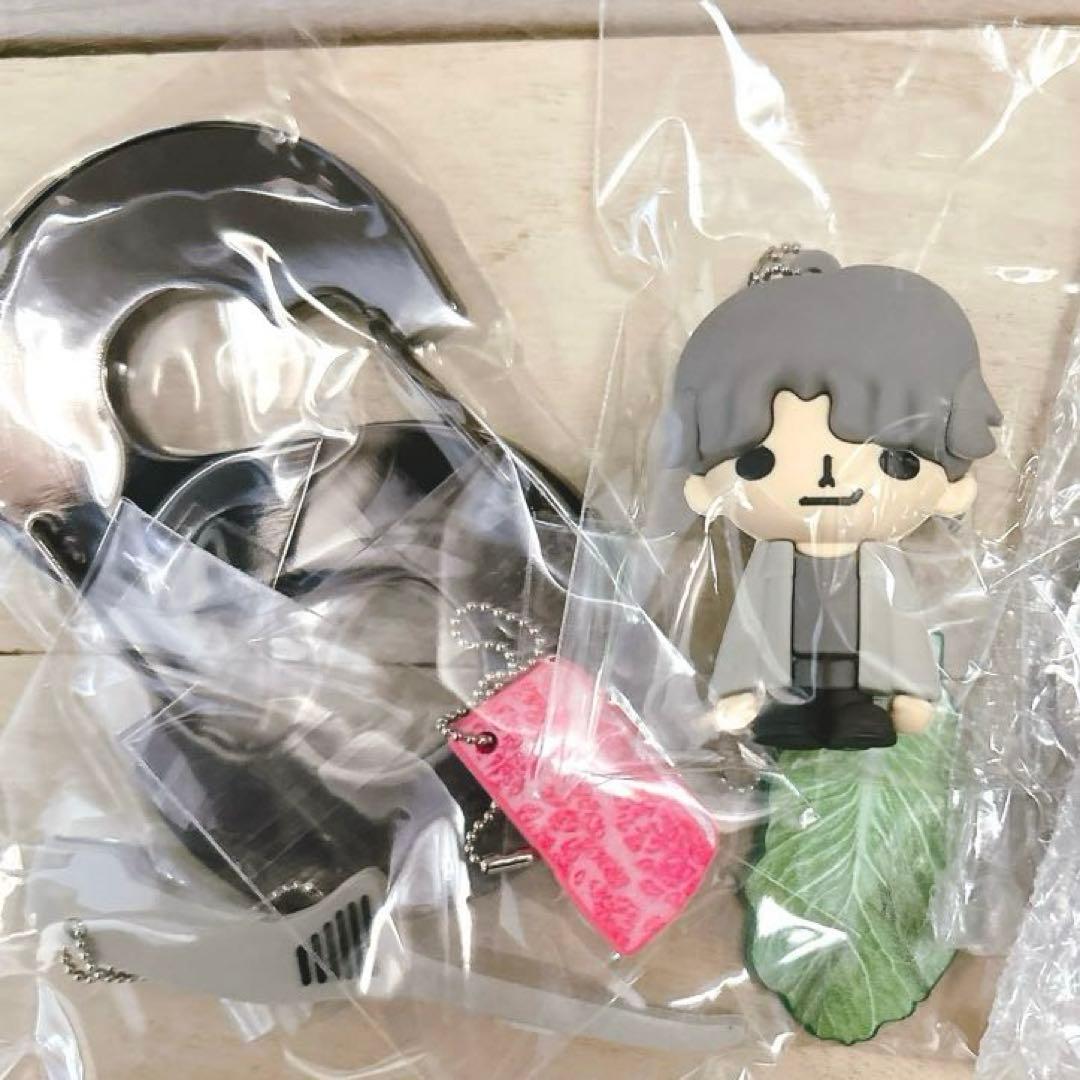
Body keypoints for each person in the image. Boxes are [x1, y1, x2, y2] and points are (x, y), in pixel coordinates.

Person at [667, 249, 1001, 749]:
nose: (827, 477)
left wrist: (914, 690)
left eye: (896, 461)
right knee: (788, 712)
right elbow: (750, 627)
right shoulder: (771, 563)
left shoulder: (881, 564)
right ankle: (794, 711)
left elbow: (901, 628)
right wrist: (738, 688)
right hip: (787, 674)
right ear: (704, 490)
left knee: (854, 709)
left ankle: (850, 708)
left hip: (858, 677)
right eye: (759, 462)